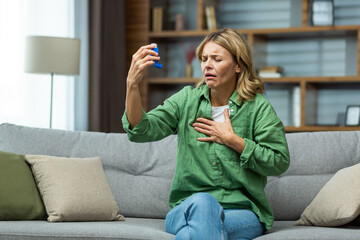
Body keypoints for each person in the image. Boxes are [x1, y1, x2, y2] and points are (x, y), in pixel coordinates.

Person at [122, 28, 290, 240]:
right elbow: (141, 130)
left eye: (217, 59)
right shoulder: (186, 100)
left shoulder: (257, 108)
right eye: (203, 59)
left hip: (240, 212)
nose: (207, 65)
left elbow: (280, 161)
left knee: (188, 235)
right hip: (187, 208)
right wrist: (132, 84)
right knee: (203, 203)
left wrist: (235, 142)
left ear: (238, 65)